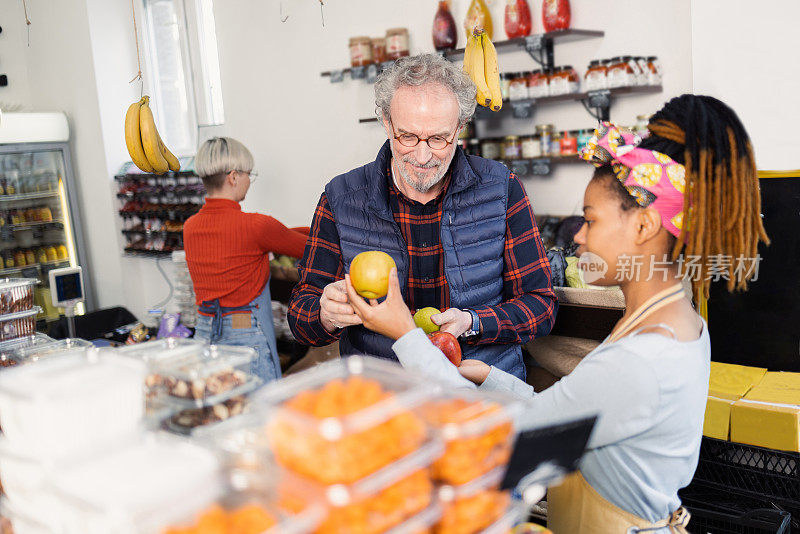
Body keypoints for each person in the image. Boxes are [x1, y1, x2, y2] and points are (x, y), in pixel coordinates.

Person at [343, 95, 769, 533]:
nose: (580, 237)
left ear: (644, 226)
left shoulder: (640, 360)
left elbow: (511, 446)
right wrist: (492, 380)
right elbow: (575, 415)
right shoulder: (671, 320)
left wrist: (403, 334)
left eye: (591, 220)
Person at [288, 54, 557, 380]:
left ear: (460, 127)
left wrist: (473, 323)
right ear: (386, 123)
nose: (423, 155)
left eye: (439, 138)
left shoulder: (501, 188)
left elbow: (540, 307)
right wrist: (325, 313)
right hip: (384, 396)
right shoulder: (341, 198)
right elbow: (301, 317)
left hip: (481, 392)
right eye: (408, 136)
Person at [184, 137, 309, 382]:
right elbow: (310, 247)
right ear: (233, 177)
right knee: (260, 412)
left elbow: (279, 234)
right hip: (245, 333)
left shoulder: (190, 227)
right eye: (249, 175)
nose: (249, 182)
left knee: (222, 410)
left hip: (205, 331)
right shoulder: (255, 227)